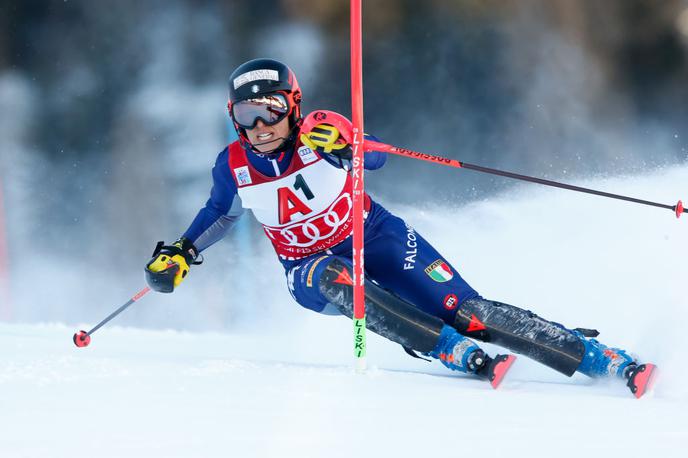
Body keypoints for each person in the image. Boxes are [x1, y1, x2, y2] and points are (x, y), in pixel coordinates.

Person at [145, 58, 656, 397]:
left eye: (272, 109)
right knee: (340, 281)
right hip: (307, 267)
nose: (261, 126)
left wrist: (348, 149)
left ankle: (601, 359)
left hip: (378, 238)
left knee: (470, 313)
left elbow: (375, 156)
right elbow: (219, 213)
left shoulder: (321, 128)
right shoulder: (232, 163)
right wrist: (183, 252)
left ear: (293, 105)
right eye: (247, 113)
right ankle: (447, 350)